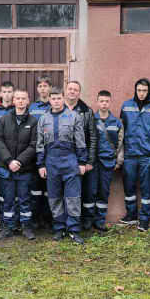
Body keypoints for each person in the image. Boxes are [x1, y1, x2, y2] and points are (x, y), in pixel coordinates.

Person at [37, 86, 87, 244]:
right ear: (49, 100)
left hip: (70, 160)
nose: (56, 101)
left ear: (63, 99)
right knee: (54, 197)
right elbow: (39, 144)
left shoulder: (73, 116)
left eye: (59, 98)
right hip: (51, 162)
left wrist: (82, 162)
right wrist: (41, 165)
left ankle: (74, 229)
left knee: (73, 197)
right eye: (53, 98)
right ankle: (59, 228)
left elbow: (80, 141)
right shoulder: (43, 119)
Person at [119, 78, 150, 232]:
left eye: (144, 90)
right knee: (129, 186)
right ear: (135, 90)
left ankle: (144, 219)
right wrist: (121, 153)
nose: (142, 93)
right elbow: (121, 130)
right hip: (130, 154)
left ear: (149, 91)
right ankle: (131, 214)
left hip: (146, 155)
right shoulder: (126, 106)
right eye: (139, 90)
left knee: (146, 188)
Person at [0, 88, 38, 240]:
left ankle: (26, 227)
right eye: (17, 98)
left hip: (25, 168)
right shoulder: (4, 120)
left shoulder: (33, 122)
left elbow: (34, 144)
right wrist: (9, 161)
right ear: (13, 101)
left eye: (23, 98)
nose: (20, 101)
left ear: (28, 101)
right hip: (6, 168)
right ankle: (8, 227)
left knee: (25, 199)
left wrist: (19, 161)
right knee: (8, 199)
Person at [64, 81, 98, 230]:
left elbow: (93, 137)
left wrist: (89, 161)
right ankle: (62, 222)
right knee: (63, 191)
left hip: (80, 159)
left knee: (82, 191)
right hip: (62, 158)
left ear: (79, 92)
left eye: (75, 90)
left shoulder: (86, 111)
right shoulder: (57, 108)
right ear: (65, 91)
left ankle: (83, 221)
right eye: (70, 89)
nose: (72, 92)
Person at [92, 90, 124, 232]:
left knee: (103, 192)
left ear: (110, 102)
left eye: (107, 101)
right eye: (101, 101)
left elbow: (121, 143)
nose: (104, 104)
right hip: (92, 163)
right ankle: (88, 220)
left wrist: (118, 162)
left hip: (108, 162)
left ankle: (99, 221)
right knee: (90, 191)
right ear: (97, 102)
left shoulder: (117, 122)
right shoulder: (91, 120)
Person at [29, 76, 54, 229]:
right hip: (35, 152)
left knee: (50, 188)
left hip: (51, 152)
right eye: (40, 86)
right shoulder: (32, 107)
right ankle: (35, 219)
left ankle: (48, 219)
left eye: (45, 86)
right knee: (35, 188)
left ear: (50, 88)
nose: (43, 88)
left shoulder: (54, 104)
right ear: (37, 88)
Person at [0, 81, 15, 229]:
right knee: (2, 192)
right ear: (0, 94)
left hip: (15, 158)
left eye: (9, 92)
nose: (6, 95)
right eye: (4, 92)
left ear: (13, 94)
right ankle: (3, 221)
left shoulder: (17, 110)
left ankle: (15, 221)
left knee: (15, 192)